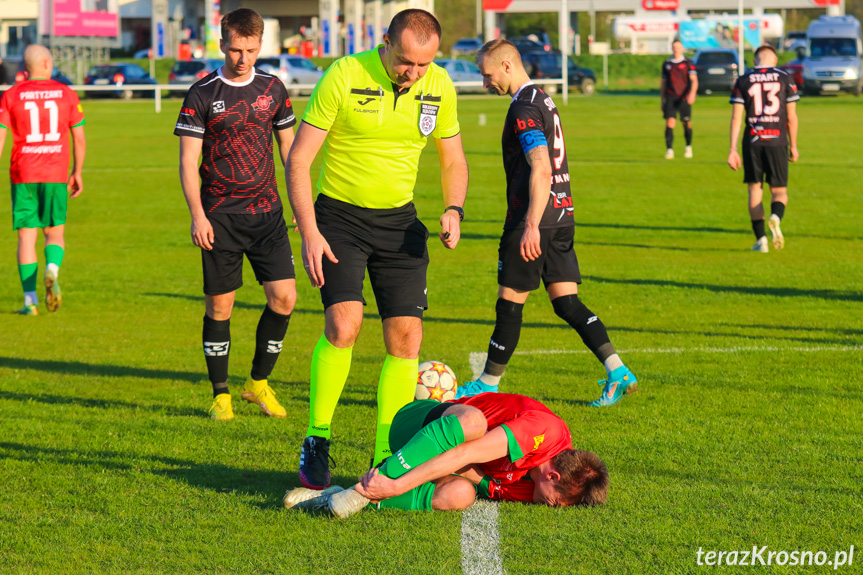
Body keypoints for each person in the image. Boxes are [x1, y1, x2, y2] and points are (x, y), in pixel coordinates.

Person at [287, 8, 468, 489]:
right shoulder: (345, 74)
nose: (412, 74)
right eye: (405, 62)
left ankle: (387, 454)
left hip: (400, 222)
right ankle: (317, 438)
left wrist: (453, 208)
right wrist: (309, 230)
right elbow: (299, 158)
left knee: (406, 338)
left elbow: (453, 158)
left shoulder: (440, 87)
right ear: (385, 41)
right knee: (344, 326)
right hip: (339, 218)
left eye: (422, 66)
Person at [454, 39, 636, 408]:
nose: (484, 82)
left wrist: (531, 224)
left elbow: (541, 165)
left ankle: (487, 383)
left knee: (509, 302)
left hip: (533, 219)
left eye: (487, 74)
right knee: (567, 302)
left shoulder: (523, 106)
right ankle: (617, 370)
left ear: (506, 66)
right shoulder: (542, 98)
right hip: (562, 214)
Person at [175, 8, 298, 420]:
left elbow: (290, 153)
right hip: (220, 217)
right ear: (222, 44)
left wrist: (300, 205)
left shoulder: (274, 89)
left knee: (284, 298)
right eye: (233, 49)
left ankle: (258, 385)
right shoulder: (202, 92)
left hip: (268, 215)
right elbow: (187, 161)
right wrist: (198, 215)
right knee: (220, 307)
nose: (241, 58)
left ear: (260, 45)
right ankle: (221, 394)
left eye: (249, 49)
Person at [283, 393, 609, 517]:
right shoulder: (544, 433)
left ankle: (338, 496)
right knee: (473, 422)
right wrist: (397, 484)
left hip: (444, 453)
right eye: (558, 501)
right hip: (418, 421)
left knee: (460, 494)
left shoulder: (533, 487)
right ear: (553, 476)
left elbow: (469, 472)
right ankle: (374, 486)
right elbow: (465, 450)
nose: (553, 507)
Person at [0, 44, 85, 316]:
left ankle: (29, 302)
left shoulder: (10, 95)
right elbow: (79, 138)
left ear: (25, 69)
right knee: (54, 232)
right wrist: (77, 171)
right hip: (55, 174)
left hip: (23, 174)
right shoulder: (67, 94)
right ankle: (52, 269)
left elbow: (0, 137)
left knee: (26, 236)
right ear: (47, 64)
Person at [727, 45, 799, 253]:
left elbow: (736, 117)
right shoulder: (785, 78)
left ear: (755, 60)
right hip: (777, 141)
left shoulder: (743, 79)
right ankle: (775, 217)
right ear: (774, 60)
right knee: (779, 191)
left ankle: (761, 241)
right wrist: (793, 145)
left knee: (754, 189)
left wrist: (732, 149)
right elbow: (791, 118)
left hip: (753, 141)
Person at [660, 39, 698, 159]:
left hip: (684, 97)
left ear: (682, 49)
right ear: (672, 48)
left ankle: (688, 147)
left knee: (686, 123)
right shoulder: (667, 63)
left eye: (678, 47)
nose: (676, 49)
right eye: (674, 47)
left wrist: (692, 94)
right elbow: (663, 83)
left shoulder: (688, 63)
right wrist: (662, 99)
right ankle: (669, 150)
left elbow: (694, 80)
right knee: (670, 122)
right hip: (671, 97)